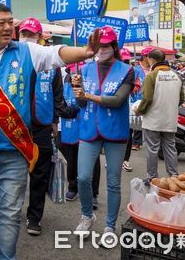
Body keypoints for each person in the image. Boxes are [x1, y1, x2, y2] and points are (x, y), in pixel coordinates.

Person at [0, 3, 101, 260]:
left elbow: (57, 53)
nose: (7, 27)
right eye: (0, 22)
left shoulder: (26, 51)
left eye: (10, 22)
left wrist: (84, 52)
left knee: (10, 213)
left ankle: (3, 256)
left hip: (14, 152)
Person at [72, 26, 135, 237]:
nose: (102, 49)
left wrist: (88, 96)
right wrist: (79, 93)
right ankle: (87, 215)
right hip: (89, 128)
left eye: (106, 45)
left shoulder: (126, 70)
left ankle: (110, 225)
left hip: (115, 132)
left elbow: (117, 101)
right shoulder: (85, 69)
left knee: (113, 181)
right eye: (99, 45)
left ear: (114, 46)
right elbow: (80, 105)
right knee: (82, 177)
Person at [18, 17, 71, 236]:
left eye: (31, 35)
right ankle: (10, 212)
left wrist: (55, 123)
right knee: (13, 172)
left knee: (39, 174)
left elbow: (58, 95)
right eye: (24, 34)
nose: (27, 38)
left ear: (40, 38)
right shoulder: (13, 59)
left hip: (42, 126)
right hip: (14, 126)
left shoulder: (51, 63)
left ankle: (34, 217)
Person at [135, 49, 184, 180]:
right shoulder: (177, 76)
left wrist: (139, 111)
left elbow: (147, 99)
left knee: (152, 149)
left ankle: (152, 177)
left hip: (153, 121)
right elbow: (182, 99)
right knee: (170, 148)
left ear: (152, 60)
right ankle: (174, 176)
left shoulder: (151, 76)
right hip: (170, 119)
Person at [57, 65, 101, 208]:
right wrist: (66, 110)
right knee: (71, 156)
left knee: (92, 159)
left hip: (89, 123)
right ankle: (73, 187)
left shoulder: (93, 77)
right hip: (68, 124)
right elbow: (59, 99)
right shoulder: (64, 79)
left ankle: (93, 193)